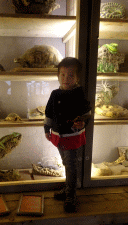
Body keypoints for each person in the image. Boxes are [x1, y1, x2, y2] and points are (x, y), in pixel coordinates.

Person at [44, 57, 91, 212]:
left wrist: (83, 122)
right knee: (66, 163)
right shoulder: (55, 94)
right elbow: (49, 113)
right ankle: (68, 189)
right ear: (58, 75)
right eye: (63, 75)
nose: (66, 79)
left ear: (78, 78)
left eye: (71, 75)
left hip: (72, 136)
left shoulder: (79, 93)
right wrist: (46, 129)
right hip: (58, 136)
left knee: (71, 166)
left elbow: (87, 113)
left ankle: (71, 195)